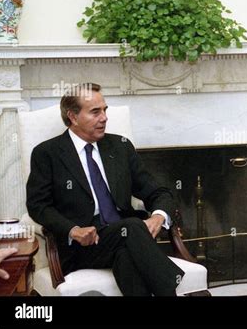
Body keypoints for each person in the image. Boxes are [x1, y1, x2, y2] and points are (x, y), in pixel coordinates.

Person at [26, 83, 184, 296]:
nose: (104, 118)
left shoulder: (120, 147)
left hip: (125, 237)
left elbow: (158, 192)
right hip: (82, 247)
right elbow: (38, 206)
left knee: (126, 254)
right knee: (133, 227)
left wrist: (158, 216)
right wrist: (73, 230)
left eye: (105, 110)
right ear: (73, 117)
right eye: (95, 112)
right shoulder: (47, 153)